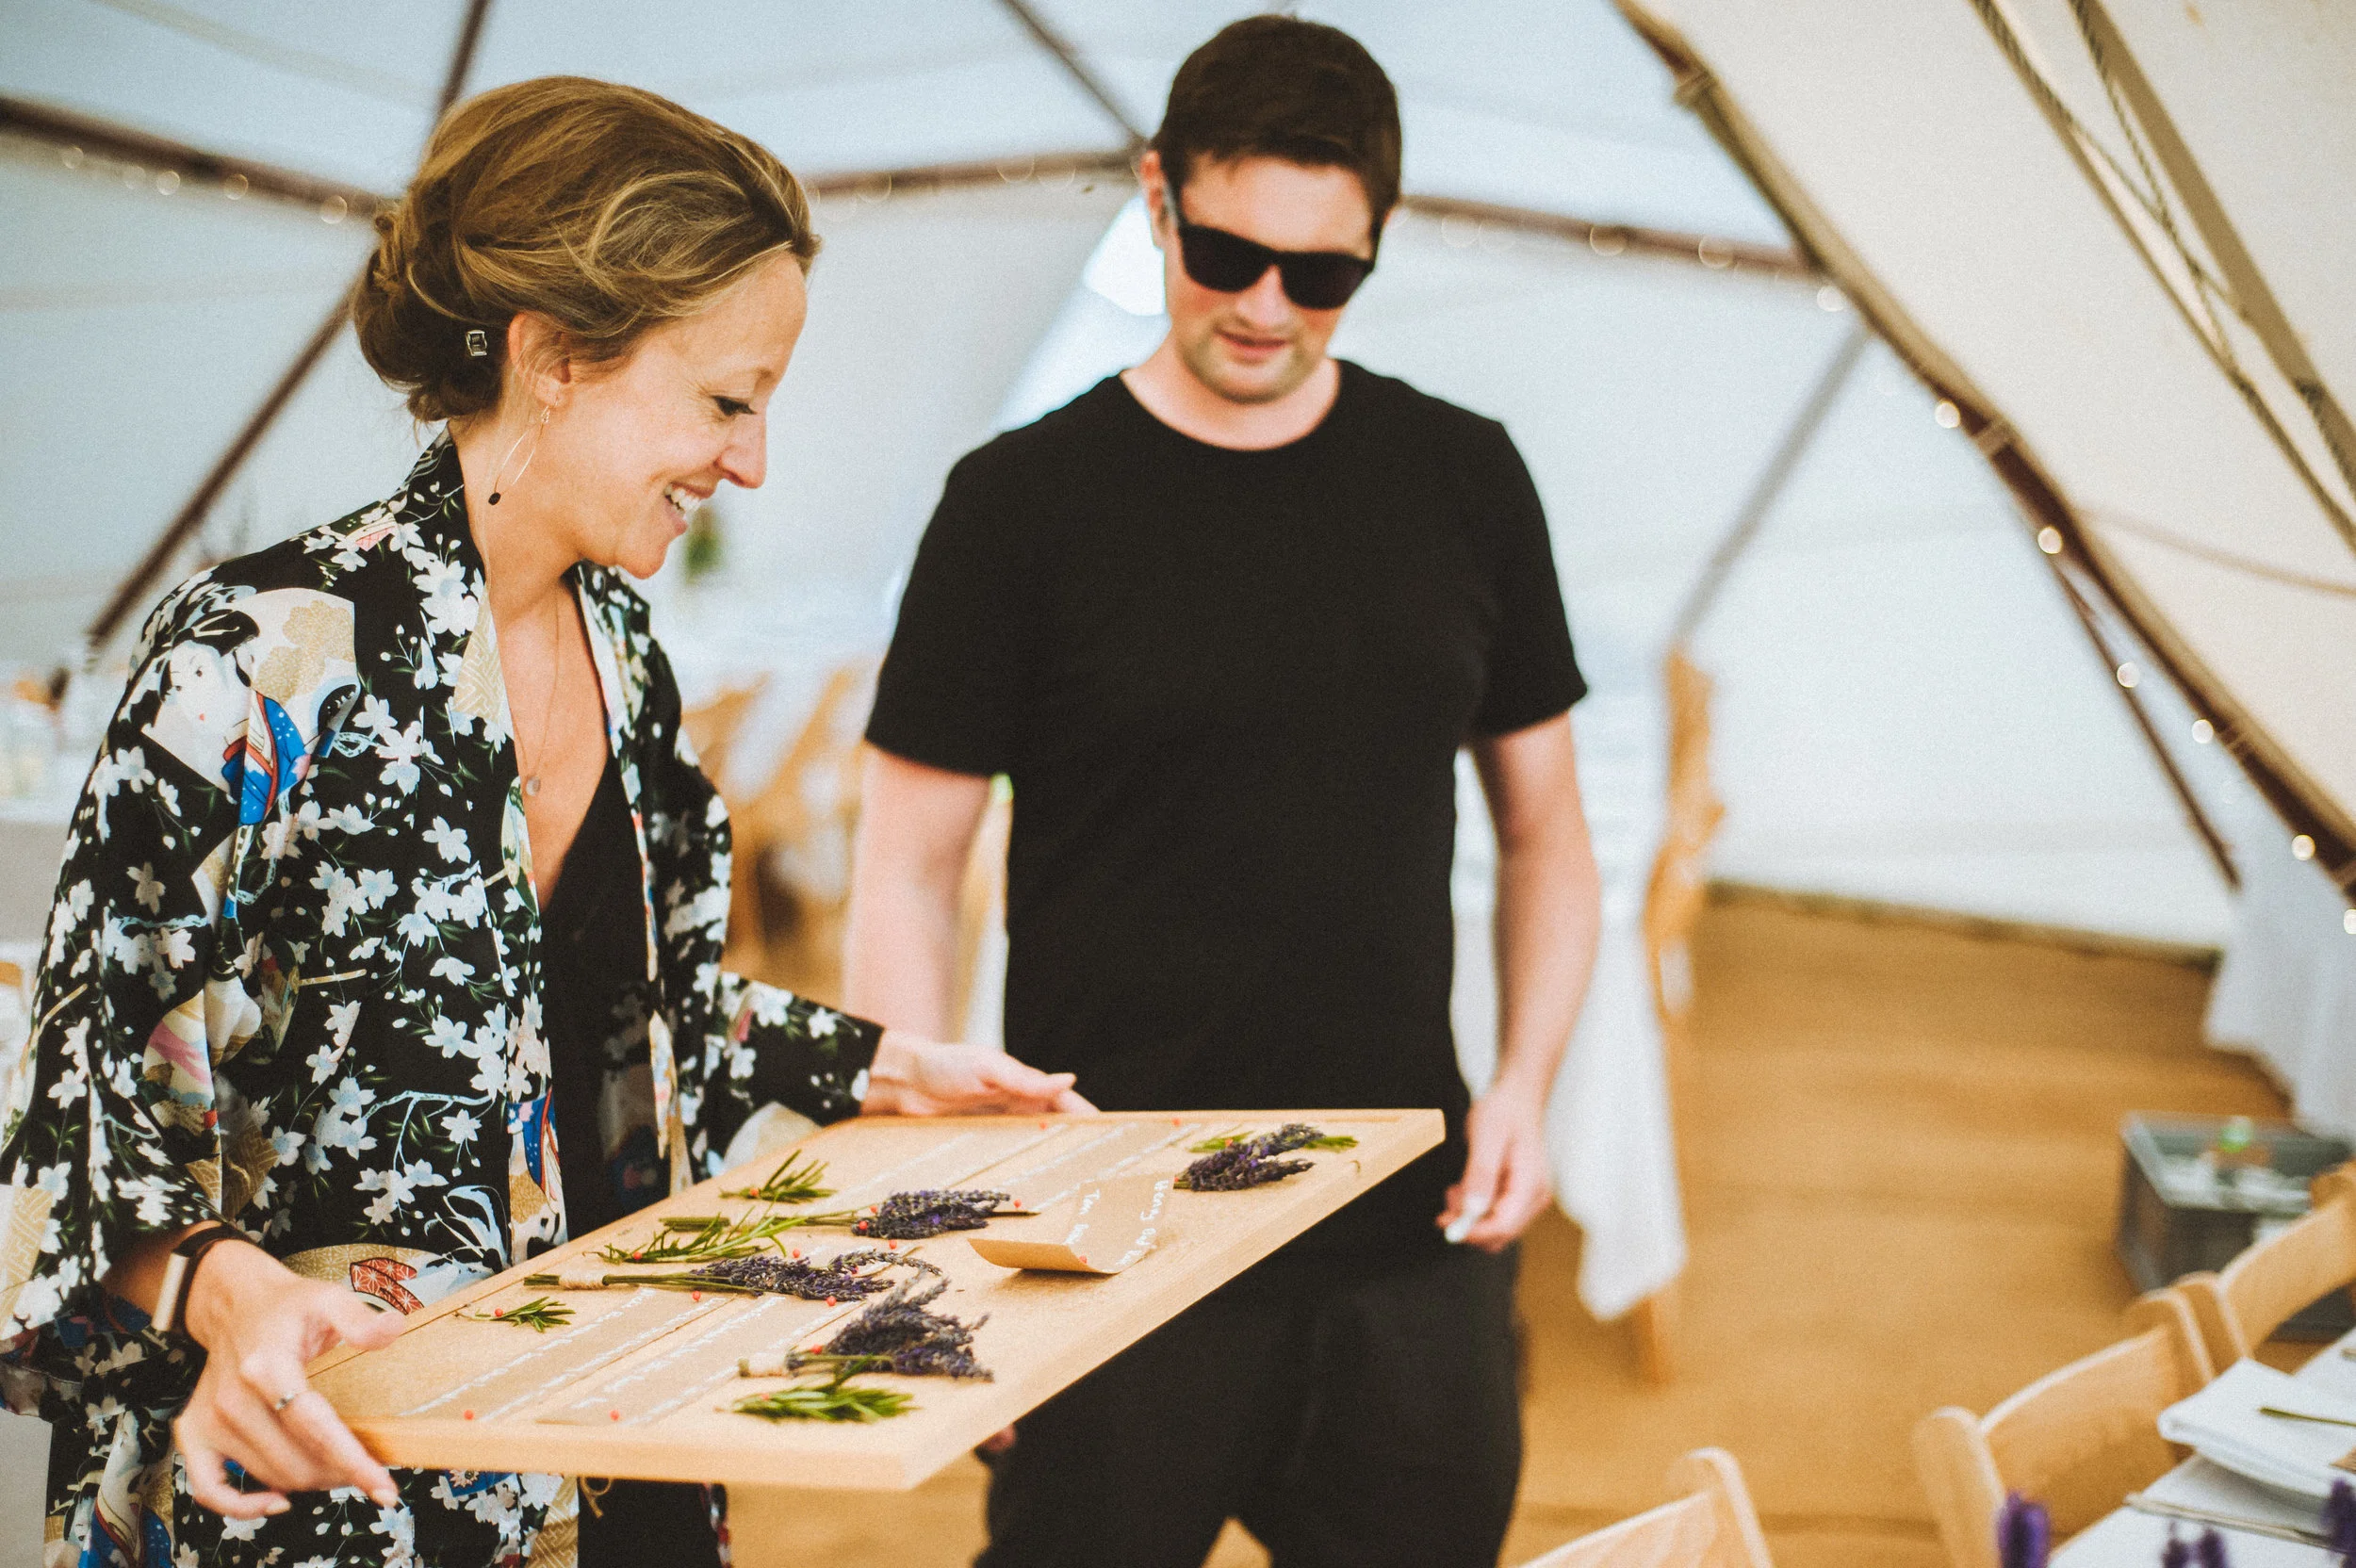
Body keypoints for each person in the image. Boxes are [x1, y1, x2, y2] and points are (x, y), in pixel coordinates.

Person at [0, 75, 1086, 1568]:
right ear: (555, 356)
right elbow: (73, 1117)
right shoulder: (261, 660)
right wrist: (224, 1288)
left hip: (611, 1437)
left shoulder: (626, 659)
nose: (750, 463)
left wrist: (889, 1068)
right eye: (724, 403)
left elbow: (646, 1025)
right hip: (343, 1486)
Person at [845, 16, 1604, 1568]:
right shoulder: (1018, 507)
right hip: (1104, 1232)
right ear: (1155, 199)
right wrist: (933, 1206)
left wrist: (1524, 1081)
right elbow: (906, 868)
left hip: (1409, 1222)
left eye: (1321, 274)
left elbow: (1548, 831)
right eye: (1228, 253)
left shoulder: (1466, 478)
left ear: (1379, 244)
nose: (1266, 306)